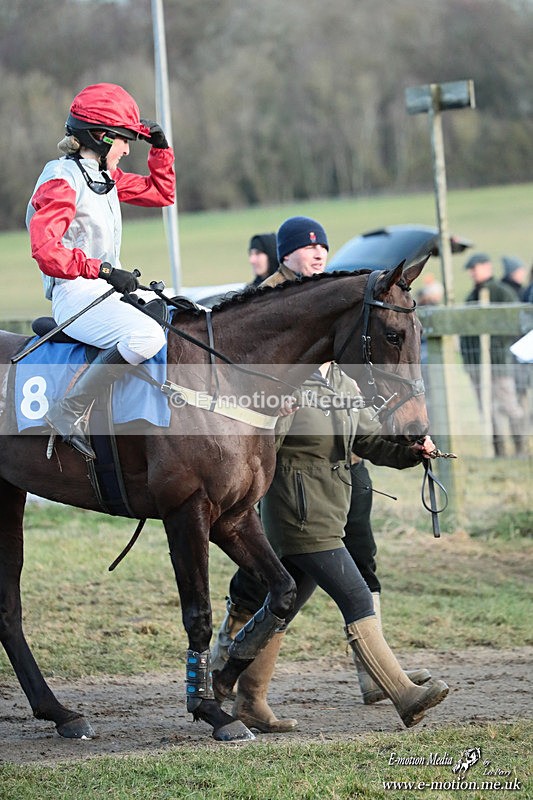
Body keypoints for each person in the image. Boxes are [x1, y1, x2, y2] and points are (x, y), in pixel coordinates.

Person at [211, 216, 449, 733]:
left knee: (287, 597)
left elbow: (356, 428)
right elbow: (258, 431)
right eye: (306, 248)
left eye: (323, 247)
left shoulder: (339, 318)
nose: (317, 254)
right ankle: (401, 692)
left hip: (334, 487)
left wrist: (409, 450)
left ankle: (236, 682)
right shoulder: (269, 327)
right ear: (285, 255)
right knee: (341, 593)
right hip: (297, 497)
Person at [26, 83, 176, 460]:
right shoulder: (61, 180)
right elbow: (46, 251)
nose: (128, 150)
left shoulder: (105, 176)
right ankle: (68, 411)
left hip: (103, 290)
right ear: (101, 137)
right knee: (146, 338)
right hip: (74, 295)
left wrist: (160, 148)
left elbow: (162, 193)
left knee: (177, 316)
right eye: (125, 141)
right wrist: (103, 269)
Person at [459, 253, 525, 456]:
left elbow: (515, 325)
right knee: (488, 410)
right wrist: (470, 363)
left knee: (509, 405)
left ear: (486, 267)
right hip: (477, 365)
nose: (472, 273)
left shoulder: (502, 293)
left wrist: (493, 347)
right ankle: (499, 452)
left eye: (475, 268)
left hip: (499, 362)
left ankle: (522, 448)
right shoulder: (471, 297)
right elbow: (466, 336)